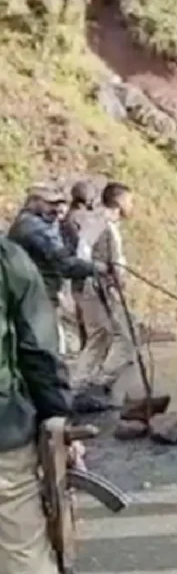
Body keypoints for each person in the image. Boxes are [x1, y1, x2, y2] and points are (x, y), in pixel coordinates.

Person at [0, 236, 80, 574]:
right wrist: (58, 418)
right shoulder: (7, 258)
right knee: (22, 552)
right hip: (4, 432)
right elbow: (38, 352)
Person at [74, 182, 169, 420]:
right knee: (120, 337)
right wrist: (99, 270)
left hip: (106, 287)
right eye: (130, 201)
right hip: (95, 287)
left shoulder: (110, 224)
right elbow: (82, 250)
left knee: (106, 335)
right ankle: (91, 384)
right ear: (119, 200)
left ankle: (84, 385)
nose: (132, 206)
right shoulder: (100, 221)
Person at [7, 183, 107, 357]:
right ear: (34, 202)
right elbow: (63, 263)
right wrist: (96, 268)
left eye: (58, 203)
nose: (56, 208)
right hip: (36, 296)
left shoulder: (38, 223)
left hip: (36, 293)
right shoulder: (35, 227)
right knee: (45, 351)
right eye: (50, 203)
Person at [61, 180, 98, 353]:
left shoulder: (68, 217)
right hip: (87, 268)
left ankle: (87, 345)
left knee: (82, 310)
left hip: (75, 268)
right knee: (91, 311)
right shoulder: (84, 218)